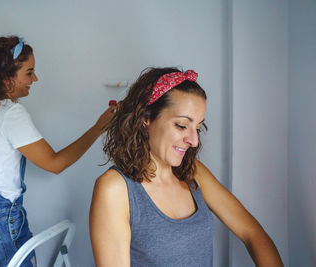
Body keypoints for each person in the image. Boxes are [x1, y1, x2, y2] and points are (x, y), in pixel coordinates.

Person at [0, 36, 115, 267]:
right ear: (6, 78)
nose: (35, 78)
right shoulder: (10, 114)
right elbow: (55, 164)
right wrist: (97, 129)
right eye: (29, 72)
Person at [89, 67, 284, 266]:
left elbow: (253, 234)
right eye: (182, 125)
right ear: (145, 118)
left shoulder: (193, 172)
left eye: (198, 128)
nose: (194, 140)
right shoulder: (115, 188)